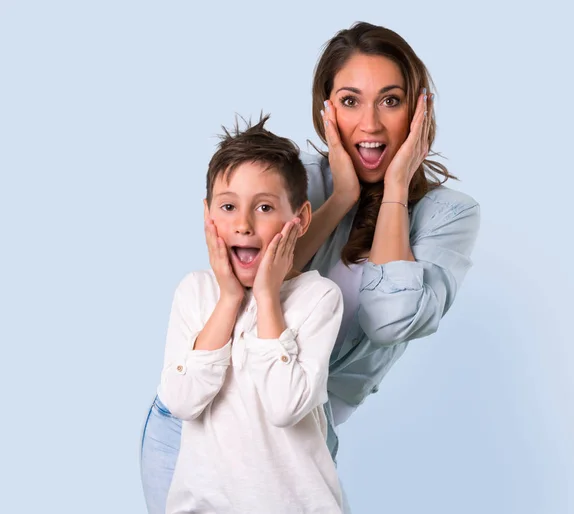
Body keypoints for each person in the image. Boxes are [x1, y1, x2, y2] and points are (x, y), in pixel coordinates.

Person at [140, 21, 480, 512]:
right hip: (193, 426)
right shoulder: (293, 178)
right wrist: (340, 198)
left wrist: (397, 191)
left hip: (290, 443)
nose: (369, 124)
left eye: (390, 100)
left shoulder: (449, 215)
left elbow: (390, 320)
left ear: (419, 111)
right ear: (325, 110)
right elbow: (248, 285)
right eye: (349, 100)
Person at [156, 115, 344, 514]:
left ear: (300, 219)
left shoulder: (317, 298)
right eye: (228, 207)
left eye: (263, 207)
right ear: (209, 217)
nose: (242, 224)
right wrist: (228, 300)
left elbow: (285, 406)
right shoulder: (195, 292)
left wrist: (267, 297)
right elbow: (181, 401)